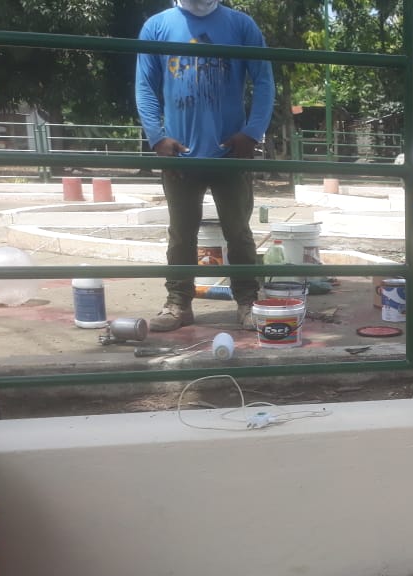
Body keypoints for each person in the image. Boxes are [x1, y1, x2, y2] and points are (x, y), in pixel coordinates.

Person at [135, 0, 275, 332]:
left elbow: (264, 81)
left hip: (231, 153)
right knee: (181, 234)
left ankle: (247, 301)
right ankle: (178, 303)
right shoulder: (157, 27)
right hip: (180, 156)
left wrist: (252, 133)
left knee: (238, 232)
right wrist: (157, 138)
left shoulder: (241, 26)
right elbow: (145, 85)